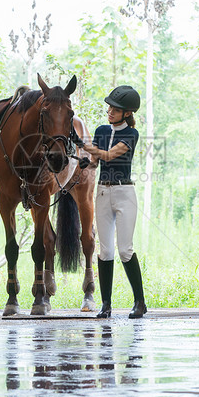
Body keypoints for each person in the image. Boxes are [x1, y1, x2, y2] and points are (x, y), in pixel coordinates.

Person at [79, 85, 146, 319]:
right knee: (105, 250)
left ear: (127, 113)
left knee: (125, 249)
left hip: (124, 193)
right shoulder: (100, 130)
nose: (110, 111)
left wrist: (83, 145)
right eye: (109, 107)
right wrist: (85, 161)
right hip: (103, 192)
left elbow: (108, 155)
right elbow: (98, 162)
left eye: (115, 109)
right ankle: (106, 305)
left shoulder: (131, 135)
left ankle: (140, 302)